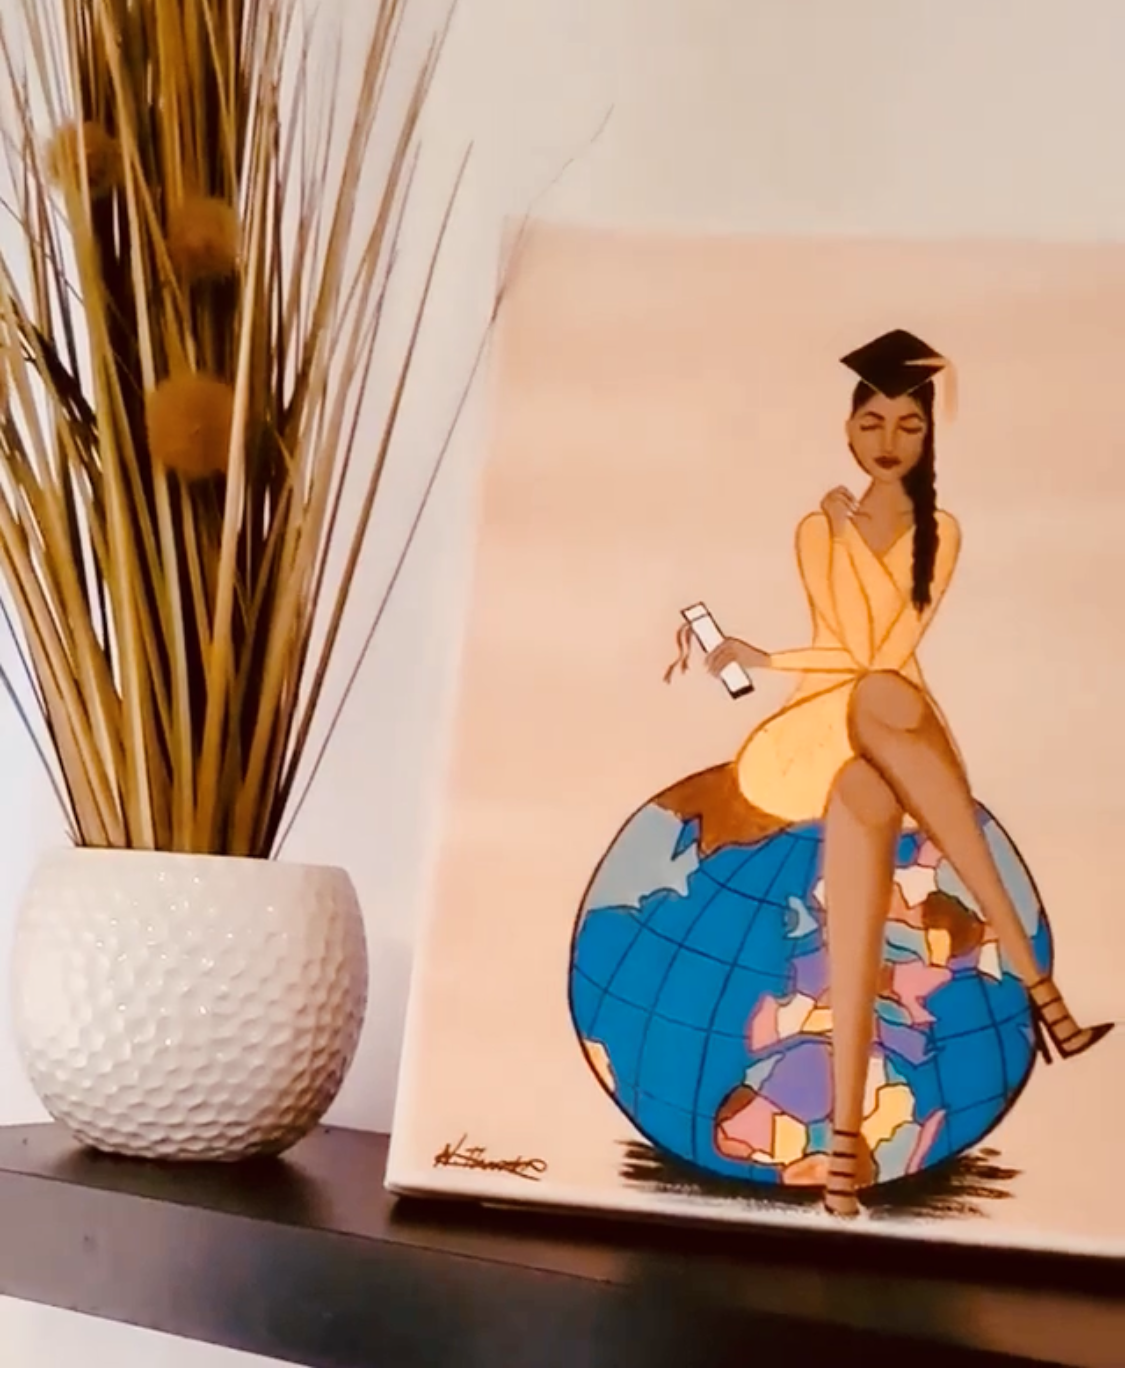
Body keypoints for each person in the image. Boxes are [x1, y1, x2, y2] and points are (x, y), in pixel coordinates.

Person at [702, 328, 1113, 1217]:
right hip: (826, 722)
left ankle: (843, 1152)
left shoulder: (941, 532)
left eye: (909, 426)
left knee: (866, 798)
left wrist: (857, 539)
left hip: (901, 729)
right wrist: (767, 644)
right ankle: (1040, 990)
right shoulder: (817, 527)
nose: (888, 441)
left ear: (928, 440)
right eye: (872, 422)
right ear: (847, 429)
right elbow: (845, 650)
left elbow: (892, 646)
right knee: (869, 712)